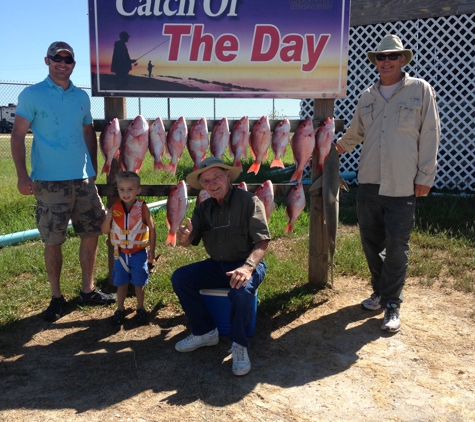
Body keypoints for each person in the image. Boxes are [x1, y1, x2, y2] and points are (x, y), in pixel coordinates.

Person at [335, 34, 440, 333]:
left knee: (397, 245)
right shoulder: (367, 95)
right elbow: (355, 133)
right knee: (371, 242)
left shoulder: (420, 90)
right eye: (381, 57)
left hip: (402, 183)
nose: (386, 61)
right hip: (369, 181)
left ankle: (393, 303)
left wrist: (425, 176)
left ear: (403, 59)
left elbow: (431, 133)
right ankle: (380, 292)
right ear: (376, 62)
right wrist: (331, 148)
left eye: (392, 56)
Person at [10, 41, 116, 322]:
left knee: (91, 233)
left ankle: (88, 290)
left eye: (68, 60)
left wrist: (92, 168)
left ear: (73, 65)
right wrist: (22, 174)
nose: (62, 63)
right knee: (53, 239)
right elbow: (18, 135)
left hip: (82, 180)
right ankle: (56, 297)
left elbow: (87, 132)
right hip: (48, 181)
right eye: (57, 58)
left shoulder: (81, 96)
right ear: (47, 61)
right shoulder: (32, 94)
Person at [171, 157, 271, 376]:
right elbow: (189, 240)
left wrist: (247, 267)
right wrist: (184, 237)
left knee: (241, 290)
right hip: (217, 265)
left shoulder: (250, 201)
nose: (212, 183)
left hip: (248, 263)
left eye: (216, 176)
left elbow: (262, 242)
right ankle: (205, 332)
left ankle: (239, 345)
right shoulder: (203, 209)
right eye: (206, 181)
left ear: (228, 176)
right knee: (180, 277)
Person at [101, 171, 156, 325]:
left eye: (130, 189)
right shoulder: (114, 208)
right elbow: (105, 230)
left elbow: (152, 229)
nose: (125, 193)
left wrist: (152, 250)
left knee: (139, 283)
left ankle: (140, 307)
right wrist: (107, 219)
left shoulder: (143, 208)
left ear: (138, 190)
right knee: (121, 283)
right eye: (122, 189)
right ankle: (120, 308)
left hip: (139, 254)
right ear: (118, 190)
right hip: (120, 255)